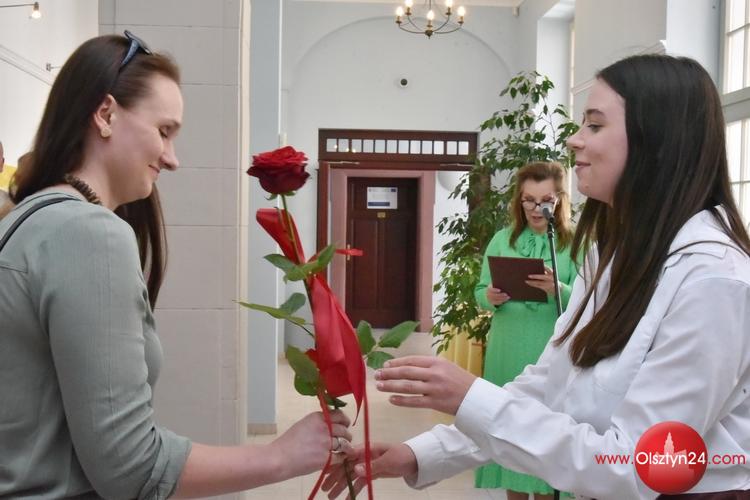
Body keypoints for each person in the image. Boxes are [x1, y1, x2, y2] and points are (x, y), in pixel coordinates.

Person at [323, 54, 750, 499]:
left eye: (594, 125)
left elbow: (638, 467)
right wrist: (422, 453)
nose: (573, 140)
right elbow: (551, 384)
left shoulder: (714, 280)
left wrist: (470, 396)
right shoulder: (614, 252)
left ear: (656, 141)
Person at [0, 32, 351, 499]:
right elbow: (131, 468)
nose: (173, 159)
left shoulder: (27, 218)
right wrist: (280, 456)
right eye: (164, 131)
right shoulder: (88, 233)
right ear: (105, 114)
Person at [473, 161, 577, 500]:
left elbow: (592, 299)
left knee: (544, 437)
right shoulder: (503, 239)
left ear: (560, 200)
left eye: (545, 200)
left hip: (550, 348)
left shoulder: (575, 241)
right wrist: (489, 297)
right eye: (528, 200)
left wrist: (559, 289)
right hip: (507, 347)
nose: (536, 208)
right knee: (509, 433)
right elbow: (480, 291)